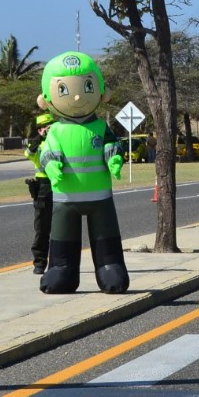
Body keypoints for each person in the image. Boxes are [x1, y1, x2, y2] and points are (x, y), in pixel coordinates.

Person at [37, 51, 129, 295]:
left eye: (87, 86)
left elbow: (112, 145)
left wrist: (114, 158)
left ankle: (110, 267)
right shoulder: (54, 131)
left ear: (101, 90)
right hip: (65, 199)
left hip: (100, 198)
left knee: (107, 240)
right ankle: (61, 271)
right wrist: (52, 165)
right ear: (46, 97)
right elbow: (46, 152)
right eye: (64, 90)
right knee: (62, 241)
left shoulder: (101, 127)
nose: (77, 96)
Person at [23, 112, 55, 274]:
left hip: (60, 186)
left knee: (61, 227)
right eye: (42, 128)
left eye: (49, 126)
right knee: (42, 228)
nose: (46, 130)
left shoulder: (59, 142)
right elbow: (28, 154)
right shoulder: (37, 145)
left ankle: (58, 262)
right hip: (43, 187)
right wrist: (39, 138)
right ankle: (40, 263)